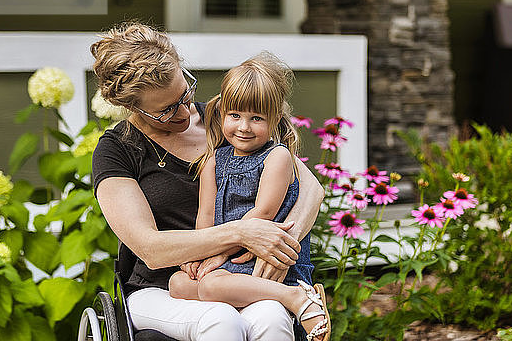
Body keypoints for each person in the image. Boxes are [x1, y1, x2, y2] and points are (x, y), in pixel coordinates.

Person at [90, 22, 325, 341]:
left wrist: (282, 245)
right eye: (166, 110)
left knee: (271, 317)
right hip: (164, 286)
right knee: (220, 318)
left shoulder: (228, 118)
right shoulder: (118, 150)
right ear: (132, 107)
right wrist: (242, 233)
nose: (184, 110)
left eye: (185, 92)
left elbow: (310, 187)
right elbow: (151, 249)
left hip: (239, 275)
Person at [167, 53, 331, 341]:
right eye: (235, 116)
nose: (244, 127)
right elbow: (205, 216)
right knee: (177, 284)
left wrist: (218, 254)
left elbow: (264, 213)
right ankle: (237, 294)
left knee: (209, 288)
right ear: (222, 113)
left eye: (256, 118)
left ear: (275, 119)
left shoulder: (277, 156)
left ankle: (296, 296)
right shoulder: (214, 161)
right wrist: (198, 256)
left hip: (263, 257)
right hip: (226, 259)